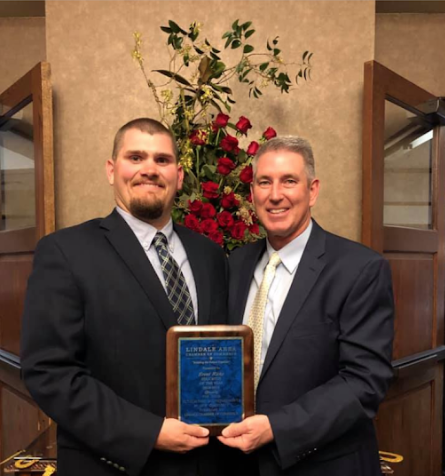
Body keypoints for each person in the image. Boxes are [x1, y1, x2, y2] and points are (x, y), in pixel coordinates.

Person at [20, 118, 228, 476]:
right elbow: (48, 372)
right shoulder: (66, 252)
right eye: (136, 157)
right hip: (114, 465)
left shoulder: (210, 255)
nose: (149, 170)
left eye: (162, 160)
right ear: (111, 170)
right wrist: (148, 433)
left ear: (179, 176)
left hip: (207, 463)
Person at [218, 136, 394, 476]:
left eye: (289, 181)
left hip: (322, 464)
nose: (275, 195)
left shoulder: (360, 269)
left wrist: (275, 427)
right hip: (237, 462)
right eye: (264, 182)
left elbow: (365, 382)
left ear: (312, 191)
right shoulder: (236, 264)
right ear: (252, 192)